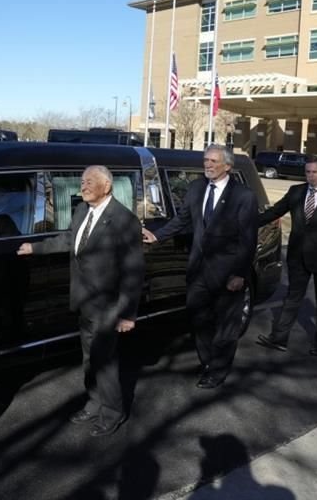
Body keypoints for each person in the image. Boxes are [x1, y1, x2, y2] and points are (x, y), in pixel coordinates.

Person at [18, 165, 144, 436]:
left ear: (106, 187)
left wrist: (128, 314)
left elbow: (133, 270)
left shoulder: (124, 220)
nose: (83, 186)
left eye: (89, 182)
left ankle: (112, 411)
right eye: (82, 181)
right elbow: (69, 239)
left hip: (109, 306)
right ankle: (94, 401)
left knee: (105, 360)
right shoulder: (81, 211)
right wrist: (35, 247)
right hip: (83, 302)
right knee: (89, 358)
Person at [143, 145, 257, 389]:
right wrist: (158, 235)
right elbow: (182, 220)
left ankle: (218, 370)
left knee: (226, 326)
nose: (208, 165)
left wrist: (239, 274)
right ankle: (208, 361)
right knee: (198, 319)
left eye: (214, 161)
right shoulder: (196, 188)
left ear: (227, 166)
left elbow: (248, 240)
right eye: (206, 160)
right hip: (198, 271)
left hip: (228, 273)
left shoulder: (243, 196)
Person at [256, 155, 317, 356]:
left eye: (315, 172)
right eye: (308, 172)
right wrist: (247, 223)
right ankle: (279, 338)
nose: (311, 176)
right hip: (298, 256)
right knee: (292, 297)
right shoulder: (296, 192)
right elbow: (274, 212)